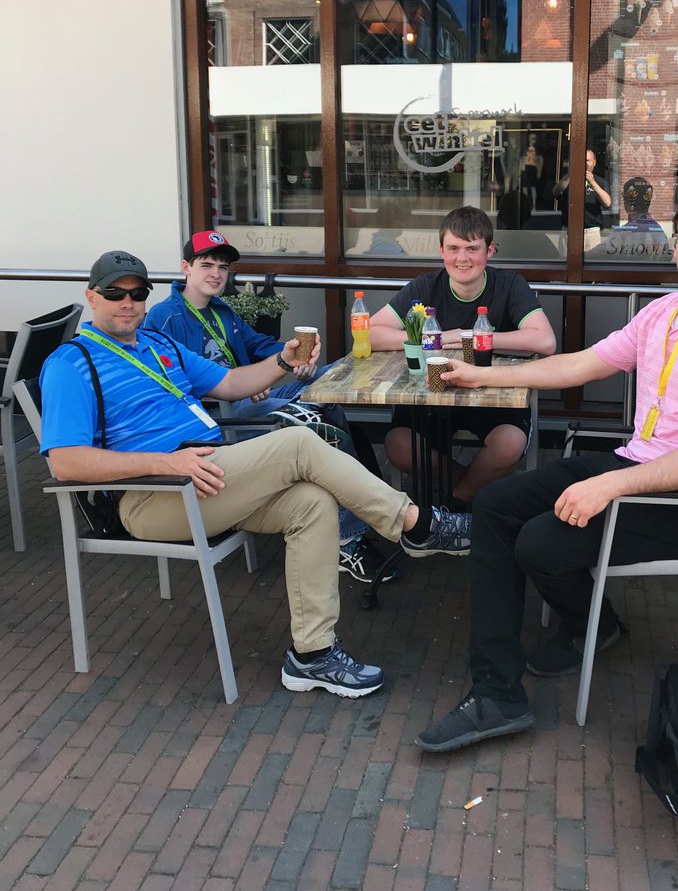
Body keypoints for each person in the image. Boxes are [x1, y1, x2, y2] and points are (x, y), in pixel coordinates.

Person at [415, 196, 678, 752]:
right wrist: (481, 378)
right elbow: (581, 363)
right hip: (640, 465)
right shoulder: (664, 313)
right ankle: (507, 683)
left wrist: (606, 485)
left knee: (540, 539)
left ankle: (565, 640)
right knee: (498, 505)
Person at [40, 249, 419, 699]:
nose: (127, 302)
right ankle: (416, 525)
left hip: (206, 475)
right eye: (114, 293)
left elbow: (231, 384)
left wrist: (283, 361)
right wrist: (164, 464)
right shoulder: (70, 364)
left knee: (312, 503)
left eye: (137, 292)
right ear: (90, 296)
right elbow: (64, 462)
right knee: (299, 441)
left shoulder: (157, 344)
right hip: (150, 495)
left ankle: (312, 656)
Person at [145, 230, 390, 584]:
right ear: (186, 267)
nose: (216, 273)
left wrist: (293, 355)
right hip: (217, 417)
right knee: (317, 423)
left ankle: (361, 509)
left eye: (223, 267)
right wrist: (240, 383)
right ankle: (348, 541)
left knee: (326, 386)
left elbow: (262, 345)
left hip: (246, 399)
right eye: (207, 264)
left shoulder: (221, 310)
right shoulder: (164, 319)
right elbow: (171, 386)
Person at [369, 206, 557, 554]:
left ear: (490, 251)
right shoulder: (426, 285)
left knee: (509, 444)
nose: (463, 258)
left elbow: (544, 341)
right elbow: (372, 333)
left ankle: (450, 507)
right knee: (397, 445)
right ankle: (476, 504)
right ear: (441, 251)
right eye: (454, 248)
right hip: (433, 396)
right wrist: (436, 339)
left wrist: (468, 335)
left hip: (492, 392)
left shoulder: (508, 284)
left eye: (472, 248)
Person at [593, 176, 671, 261]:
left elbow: (594, 256)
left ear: (625, 199)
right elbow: (666, 257)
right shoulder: (657, 230)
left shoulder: (622, 233)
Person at [554, 149, 612, 250]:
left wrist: (592, 182)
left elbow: (607, 203)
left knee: (592, 263)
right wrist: (570, 175)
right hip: (569, 231)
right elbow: (555, 192)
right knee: (566, 263)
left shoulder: (600, 182)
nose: (583, 163)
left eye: (587, 160)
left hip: (590, 232)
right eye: (580, 160)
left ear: (594, 162)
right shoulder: (568, 179)